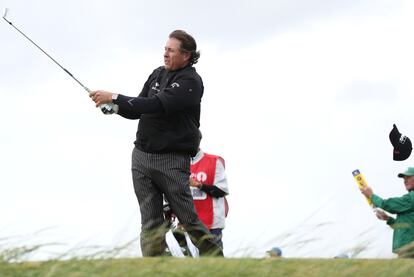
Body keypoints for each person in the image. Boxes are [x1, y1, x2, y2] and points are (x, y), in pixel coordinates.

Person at [89, 30, 223, 257]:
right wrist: (116, 108)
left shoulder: (191, 81)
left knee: (188, 219)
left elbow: (157, 105)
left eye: (171, 50)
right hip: (141, 156)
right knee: (150, 222)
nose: (165, 54)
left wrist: (114, 97)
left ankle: (219, 262)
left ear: (186, 55)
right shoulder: (157, 74)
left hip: (171, 159)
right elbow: (138, 109)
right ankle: (153, 269)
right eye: (165, 49)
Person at [360, 167, 414, 257]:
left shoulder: (411, 198)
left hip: (409, 251)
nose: (405, 180)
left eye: (408, 177)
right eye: (404, 179)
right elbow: (404, 226)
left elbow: (386, 204)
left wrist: (371, 195)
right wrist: (388, 219)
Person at [189, 147, 229, 249]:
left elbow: (221, 191)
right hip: (188, 223)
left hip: (212, 224)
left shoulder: (214, 161)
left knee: (214, 260)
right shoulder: (178, 162)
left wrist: (198, 185)